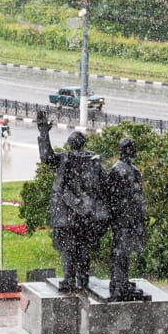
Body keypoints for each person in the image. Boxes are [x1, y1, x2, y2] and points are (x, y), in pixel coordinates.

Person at [36, 111, 109, 291]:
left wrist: (44, 134)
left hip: (67, 216)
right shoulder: (93, 161)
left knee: (68, 249)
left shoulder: (65, 159)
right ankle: (82, 280)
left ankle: (69, 279)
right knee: (83, 248)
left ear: (69, 145)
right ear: (84, 144)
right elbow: (104, 186)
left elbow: (47, 158)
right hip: (86, 215)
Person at [105, 137, 148, 302]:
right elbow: (112, 196)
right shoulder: (118, 169)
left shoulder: (132, 169)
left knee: (126, 250)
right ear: (125, 150)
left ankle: (122, 281)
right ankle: (118, 284)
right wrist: (118, 216)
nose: (135, 151)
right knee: (120, 251)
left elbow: (138, 196)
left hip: (132, 217)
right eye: (132, 148)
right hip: (123, 218)